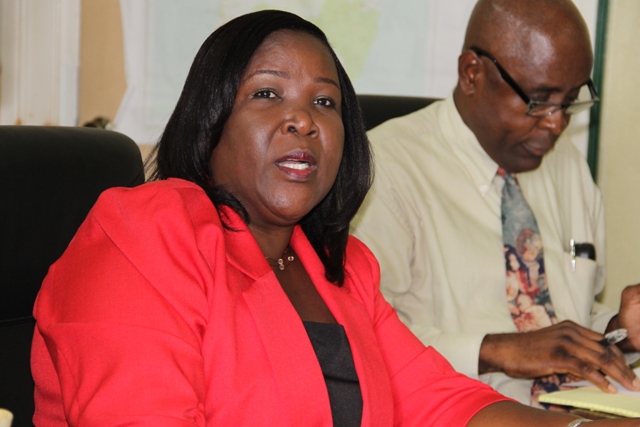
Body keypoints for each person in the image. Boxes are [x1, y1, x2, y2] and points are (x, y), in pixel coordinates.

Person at [30, 9, 637, 427]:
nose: (304, 120)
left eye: (325, 102)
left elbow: (439, 402)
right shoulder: (147, 231)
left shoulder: (340, 270)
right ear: (211, 119)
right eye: (268, 94)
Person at [351, 0, 640, 408]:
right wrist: (498, 350)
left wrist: (617, 331)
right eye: (539, 100)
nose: (557, 124)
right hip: (459, 413)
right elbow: (361, 338)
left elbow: (561, 317)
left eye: (571, 100)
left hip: (576, 412)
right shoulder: (384, 172)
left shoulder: (567, 165)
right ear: (472, 73)